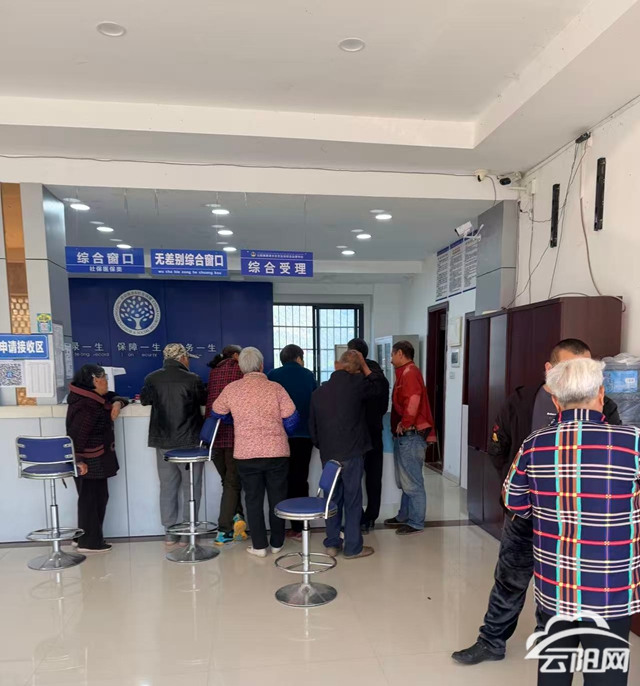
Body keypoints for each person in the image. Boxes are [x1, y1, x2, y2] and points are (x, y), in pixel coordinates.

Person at [452, 339, 621, 666]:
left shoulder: (604, 406)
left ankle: (551, 643)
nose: (578, 375)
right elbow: (499, 448)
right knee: (508, 581)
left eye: (585, 368)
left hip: (574, 523)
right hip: (524, 517)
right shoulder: (522, 400)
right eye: (570, 367)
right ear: (549, 369)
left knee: (558, 588)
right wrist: (518, 489)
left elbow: (612, 458)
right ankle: (491, 641)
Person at [503, 357, 639, 686]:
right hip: (610, 589)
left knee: (554, 673)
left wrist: (550, 512)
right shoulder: (632, 442)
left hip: (555, 586)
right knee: (606, 677)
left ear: (555, 400)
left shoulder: (534, 444)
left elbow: (513, 500)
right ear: (602, 394)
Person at [212, 347, 299, 558]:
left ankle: (259, 546)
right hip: (276, 452)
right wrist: (280, 432)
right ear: (261, 366)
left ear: (241, 367)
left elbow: (217, 412)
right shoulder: (275, 388)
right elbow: (292, 418)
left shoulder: (232, 389)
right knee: (277, 499)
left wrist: (234, 420)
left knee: (253, 500)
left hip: (246, 454)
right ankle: (277, 543)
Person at [309, 350, 387, 560]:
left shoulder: (318, 392)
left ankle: (332, 543)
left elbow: (313, 429)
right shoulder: (358, 384)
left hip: (329, 455)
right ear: (356, 369)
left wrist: (325, 448)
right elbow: (379, 386)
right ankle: (353, 547)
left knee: (332, 500)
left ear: (337, 364)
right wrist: (364, 366)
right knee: (353, 500)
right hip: (352, 452)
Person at [140, 343, 207, 546]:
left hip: (162, 442)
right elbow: (204, 400)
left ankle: (169, 532)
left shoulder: (152, 378)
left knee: (168, 487)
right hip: (189, 442)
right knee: (191, 487)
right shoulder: (193, 379)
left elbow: (144, 401)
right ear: (183, 358)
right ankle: (188, 532)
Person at [66, 364, 128, 553]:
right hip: (89, 460)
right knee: (91, 499)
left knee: (95, 497)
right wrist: (78, 460)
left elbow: (115, 396)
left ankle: (84, 536)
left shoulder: (92, 397)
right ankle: (89, 542)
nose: (107, 382)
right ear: (95, 380)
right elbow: (77, 436)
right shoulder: (87, 405)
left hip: (96, 457)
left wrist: (117, 403)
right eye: (105, 378)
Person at [268, 344, 318, 542]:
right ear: (298, 358)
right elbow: (316, 402)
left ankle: (281, 526)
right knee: (300, 479)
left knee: (281, 480)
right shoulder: (308, 375)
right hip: (304, 436)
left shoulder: (273, 375)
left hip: (279, 437)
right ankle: (300, 526)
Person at [383, 340, 434, 536]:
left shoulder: (410, 373)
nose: (390, 359)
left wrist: (405, 424)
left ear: (400, 354)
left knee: (412, 482)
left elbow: (413, 402)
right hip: (405, 436)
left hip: (411, 436)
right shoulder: (404, 372)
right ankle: (404, 515)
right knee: (405, 481)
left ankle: (416, 522)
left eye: (392, 354)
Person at [347, 338, 390, 533]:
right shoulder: (378, 374)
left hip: (357, 433)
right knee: (373, 477)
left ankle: (357, 517)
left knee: (354, 477)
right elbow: (382, 405)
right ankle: (371, 517)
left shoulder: (354, 375)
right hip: (374, 431)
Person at [206, 344, 247, 546]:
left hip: (213, 436)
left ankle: (238, 519)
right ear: (236, 356)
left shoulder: (214, 372)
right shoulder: (239, 371)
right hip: (232, 435)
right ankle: (224, 530)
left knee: (228, 482)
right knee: (232, 483)